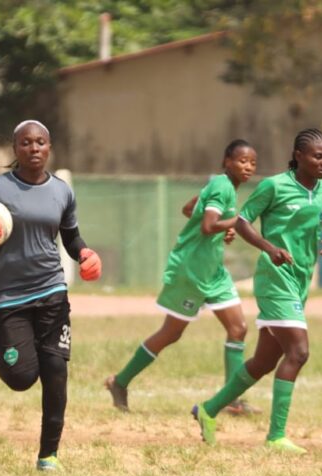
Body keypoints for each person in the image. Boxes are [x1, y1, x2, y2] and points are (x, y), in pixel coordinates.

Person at [0, 119, 102, 471]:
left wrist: (84, 254)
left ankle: (48, 455)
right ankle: (0, 346)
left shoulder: (62, 191)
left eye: (40, 142)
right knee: (21, 379)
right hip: (6, 297)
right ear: (15, 148)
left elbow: (70, 237)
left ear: (49, 147)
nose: (33, 149)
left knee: (55, 371)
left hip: (51, 289)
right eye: (25, 143)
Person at [192, 128, 322, 453]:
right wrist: (268, 247)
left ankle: (208, 409)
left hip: (301, 278)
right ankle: (276, 436)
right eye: (318, 156)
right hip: (275, 277)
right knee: (299, 352)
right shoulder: (274, 186)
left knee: (264, 361)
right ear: (298, 156)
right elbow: (242, 221)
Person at [105, 140, 258, 415]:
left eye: (252, 163)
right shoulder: (222, 186)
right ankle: (120, 381)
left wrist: (224, 228)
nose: (247, 167)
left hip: (213, 272)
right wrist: (235, 223)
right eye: (242, 161)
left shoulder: (220, 185)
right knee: (171, 333)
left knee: (238, 328)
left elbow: (190, 210)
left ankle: (232, 401)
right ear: (226, 161)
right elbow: (208, 224)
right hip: (191, 271)